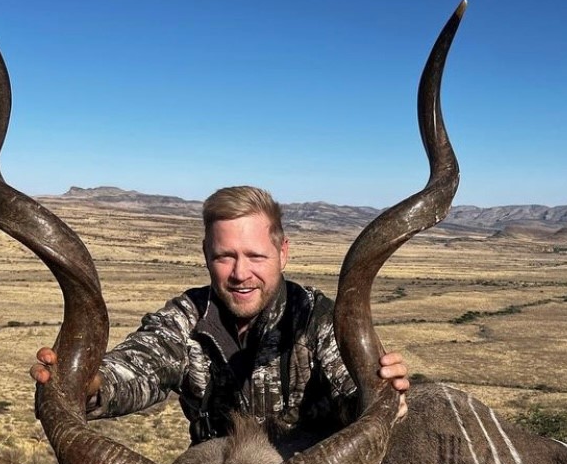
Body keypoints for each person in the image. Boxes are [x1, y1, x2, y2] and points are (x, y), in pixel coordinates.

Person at [32, 185, 408, 444]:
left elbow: (354, 396)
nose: (240, 273)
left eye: (256, 256)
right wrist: (87, 381)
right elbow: (138, 367)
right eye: (224, 256)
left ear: (283, 253)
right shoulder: (186, 318)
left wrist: (382, 395)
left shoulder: (317, 317)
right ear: (206, 255)